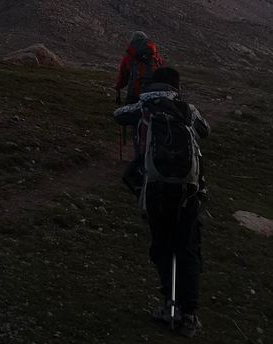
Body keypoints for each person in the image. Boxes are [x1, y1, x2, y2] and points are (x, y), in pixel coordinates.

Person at [114, 66, 210, 339]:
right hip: (188, 192)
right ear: (176, 86)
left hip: (156, 189)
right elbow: (206, 131)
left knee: (163, 246)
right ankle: (189, 315)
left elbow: (118, 116)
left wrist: (141, 103)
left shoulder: (146, 107)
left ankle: (169, 305)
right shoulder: (188, 110)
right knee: (188, 249)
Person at [114, 31, 164, 105]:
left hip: (135, 93)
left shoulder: (129, 56)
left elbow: (123, 76)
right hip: (155, 92)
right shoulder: (154, 56)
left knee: (129, 114)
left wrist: (118, 87)